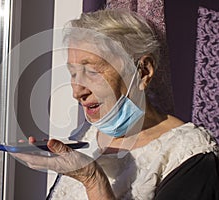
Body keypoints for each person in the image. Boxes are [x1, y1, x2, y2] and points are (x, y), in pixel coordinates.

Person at [13, 9, 219, 200]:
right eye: (74, 73)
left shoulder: (192, 157)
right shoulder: (89, 136)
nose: (77, 92)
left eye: (92, 72)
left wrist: (92, 179)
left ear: (143, 72)